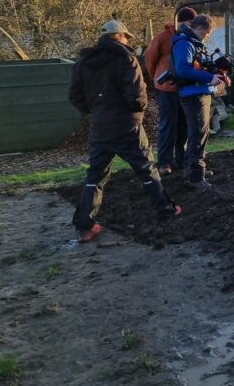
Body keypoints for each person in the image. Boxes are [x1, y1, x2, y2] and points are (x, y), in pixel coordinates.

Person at [69, 20, 181, 243]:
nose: (128, 40)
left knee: (95, 176)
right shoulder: (125, 59)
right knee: (146, 169)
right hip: (127, 126)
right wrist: (135, 112)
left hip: (100, 126)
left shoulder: (83, 61)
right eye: (126, 36)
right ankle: (166, 210)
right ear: (118, 36)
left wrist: (96, 111)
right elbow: (138, 95)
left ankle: (85, 226)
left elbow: (75, 96)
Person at [172, 13, 226, 190]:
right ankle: (195, 177)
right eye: (208, 32)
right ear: (200, 29)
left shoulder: (193, 43)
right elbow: (182, 70)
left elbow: (199, 67)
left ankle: (194, 170)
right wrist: (209, 78)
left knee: (200, 134)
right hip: (192, 94)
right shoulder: (185, 44)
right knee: (197, 135)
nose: (208, 36)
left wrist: (218, 75)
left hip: (199, 92)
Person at [144, 6, 197, 177]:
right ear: (185, 22)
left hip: (186, 88)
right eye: (190, 22)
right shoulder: (163, 37)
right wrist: (157, 79)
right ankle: (164, 162)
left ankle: (181, 159)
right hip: (167, 89)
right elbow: (150, 59)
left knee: (184, 125)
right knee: (167, 124)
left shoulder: (191, 38)